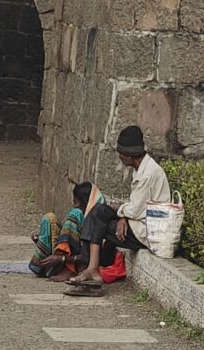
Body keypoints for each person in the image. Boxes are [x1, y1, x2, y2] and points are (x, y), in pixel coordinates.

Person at [63, 126, 167, 294]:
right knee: (99, 211)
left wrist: (120, 212)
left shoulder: (149, 174)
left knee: (98, 220)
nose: (119, 157)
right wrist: (122, 217)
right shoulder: (142, 168)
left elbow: (134, 211)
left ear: (129, 156)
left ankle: (91, 270)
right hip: (136, 222)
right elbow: (136, 206)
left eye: (120, 154)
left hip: (145, 232)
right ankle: (92, 269)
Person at [29, 183, 91, 277]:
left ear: (87, 202)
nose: (74, 206)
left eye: (77, 203)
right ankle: (45, 264)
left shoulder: (93, 219)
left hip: (80, 262)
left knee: (75, 214)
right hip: (62, 258)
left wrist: (62, 259)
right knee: (49, 218)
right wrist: (44, 241)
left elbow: (88, 256)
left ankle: (69, 270)